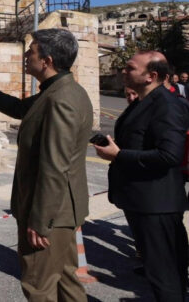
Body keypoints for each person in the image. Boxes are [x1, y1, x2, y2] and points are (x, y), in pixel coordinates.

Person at [0, 28, 92, 302]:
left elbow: (55, 166)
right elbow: (21, 109)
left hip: (50, 215)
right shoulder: (61, 91)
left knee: (38, 286)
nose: (26, 57)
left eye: (31, 52)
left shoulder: (60, 100)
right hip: (62, 214)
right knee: (67, 282)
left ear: (48, 60)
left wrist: (40, 221)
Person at [94, 51, 189, 301]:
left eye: (130, 68)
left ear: (151, 76)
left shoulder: (168, 105)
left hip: (157, 205)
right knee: (160, 274)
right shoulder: (141, 102)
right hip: (142, 202)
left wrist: (119, 154)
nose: (123, 72)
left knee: (165, 277)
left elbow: (169, 156)